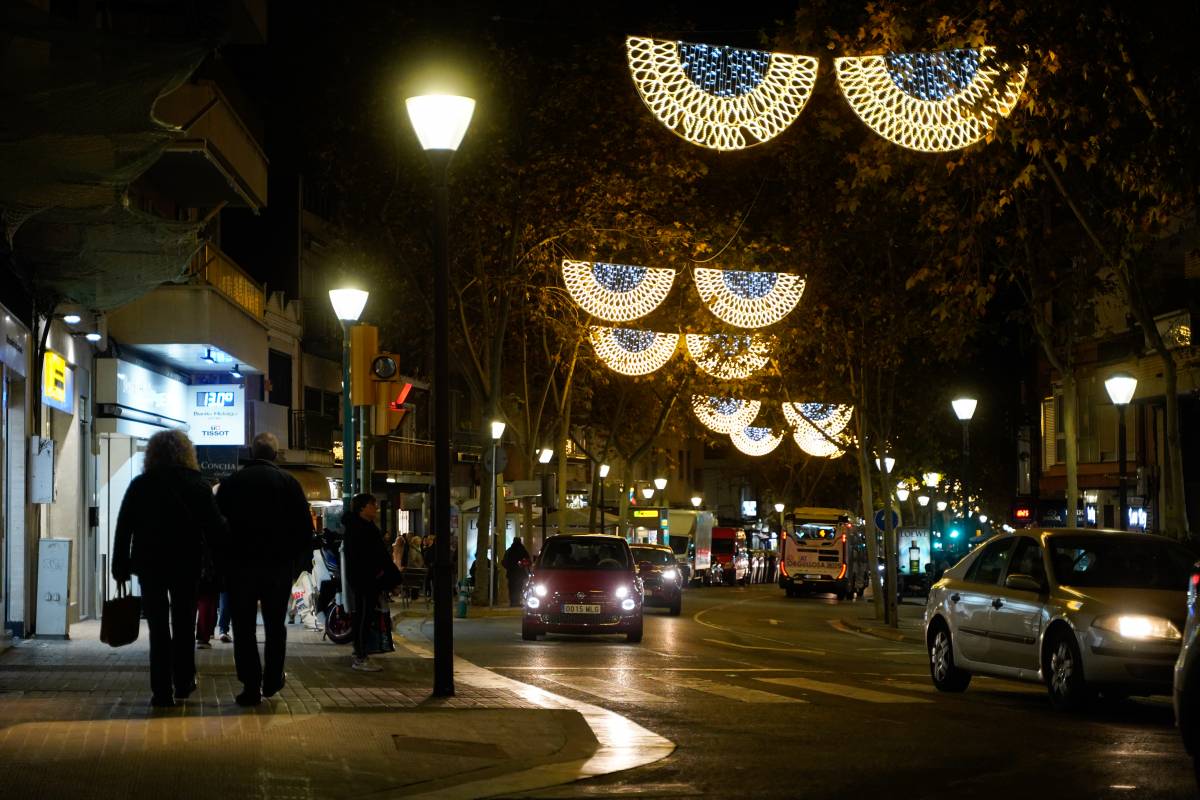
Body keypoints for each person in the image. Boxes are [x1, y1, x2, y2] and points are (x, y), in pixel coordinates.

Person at [112, 429, 227, 708]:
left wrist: (120, 566)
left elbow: (124, 526)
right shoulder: (197, 484)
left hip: (150, 564)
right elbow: (214, 528)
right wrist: (223, 562)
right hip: (186, 563)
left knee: (158, 628)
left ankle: (161, 691)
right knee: (185, 623)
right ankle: (184, 681)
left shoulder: (141, 484)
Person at [215, 432, 313, 706]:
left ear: (252, 452)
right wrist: (293, 561)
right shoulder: (289, 483)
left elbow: (217, 527)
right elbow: (305, 530)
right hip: (277, 567)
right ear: (274, 454)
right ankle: (272, 679)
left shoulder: (231, 484)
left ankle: (250, 685)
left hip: (240, 566)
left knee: (243, 627)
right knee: (274, 626)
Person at [344, 493, 397, 671]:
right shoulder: (359, 529)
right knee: (364, 616)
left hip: (367, 578)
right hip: (365, 579)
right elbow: (367, 556)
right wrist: (379, 573)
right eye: (372, 504)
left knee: (365, 615)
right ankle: (360, 656)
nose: (376, 507)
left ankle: (361, 653)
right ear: (362, 508)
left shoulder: (364, 526)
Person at [501, 537, 531, 606]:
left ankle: (512, 602)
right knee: (519, 587)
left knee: (512, 588)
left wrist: (509, 567)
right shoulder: (523, 550)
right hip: (520, 573)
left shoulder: (509, 550)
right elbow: (528, 561)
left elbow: (504, 562)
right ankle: (518, 601)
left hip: (511, 573)